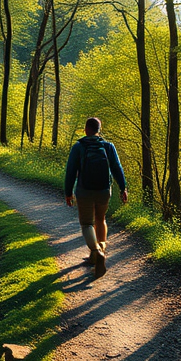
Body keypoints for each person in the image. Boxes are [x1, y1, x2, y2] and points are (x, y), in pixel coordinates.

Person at [64, 117, 127, 279]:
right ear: (99, 129)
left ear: (86, 129)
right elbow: (117, 168)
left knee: (87, 224)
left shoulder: (79, 147)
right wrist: (123, 188)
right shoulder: (108, 146)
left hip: (84, 190)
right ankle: (99, 253)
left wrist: (68, 192)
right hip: (104, 190)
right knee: (100, 219)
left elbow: (70, 171)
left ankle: (97, 251)